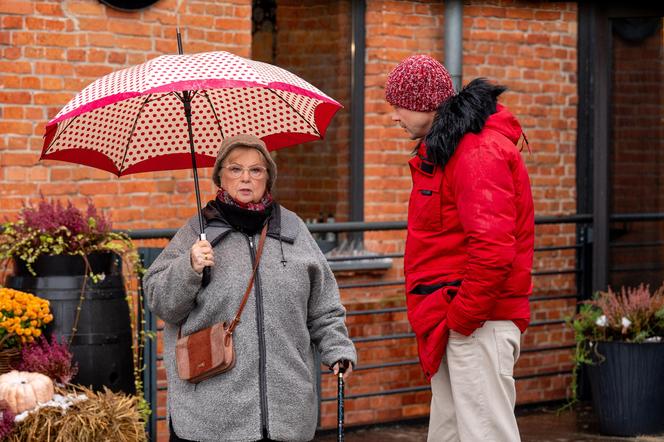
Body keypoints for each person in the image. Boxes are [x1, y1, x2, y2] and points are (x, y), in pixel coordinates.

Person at [144, 134, 356, 442]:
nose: (246, 178)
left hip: (287, 409)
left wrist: (337, 349)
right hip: (212, 413)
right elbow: (161, 301)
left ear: (268, 177)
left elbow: (323, 305)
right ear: (220, 176)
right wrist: (188, 267)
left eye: (256, 170)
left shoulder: (293, 230)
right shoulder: (198, 231)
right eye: (235, 169)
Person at [385, 54, 534, 441]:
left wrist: (462, 320)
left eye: (398, 105)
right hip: (457, 319)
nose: (394, 116)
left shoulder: (476, 152)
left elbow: (493, 249)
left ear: (424, 103)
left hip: (475, 321)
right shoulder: (452, 150)